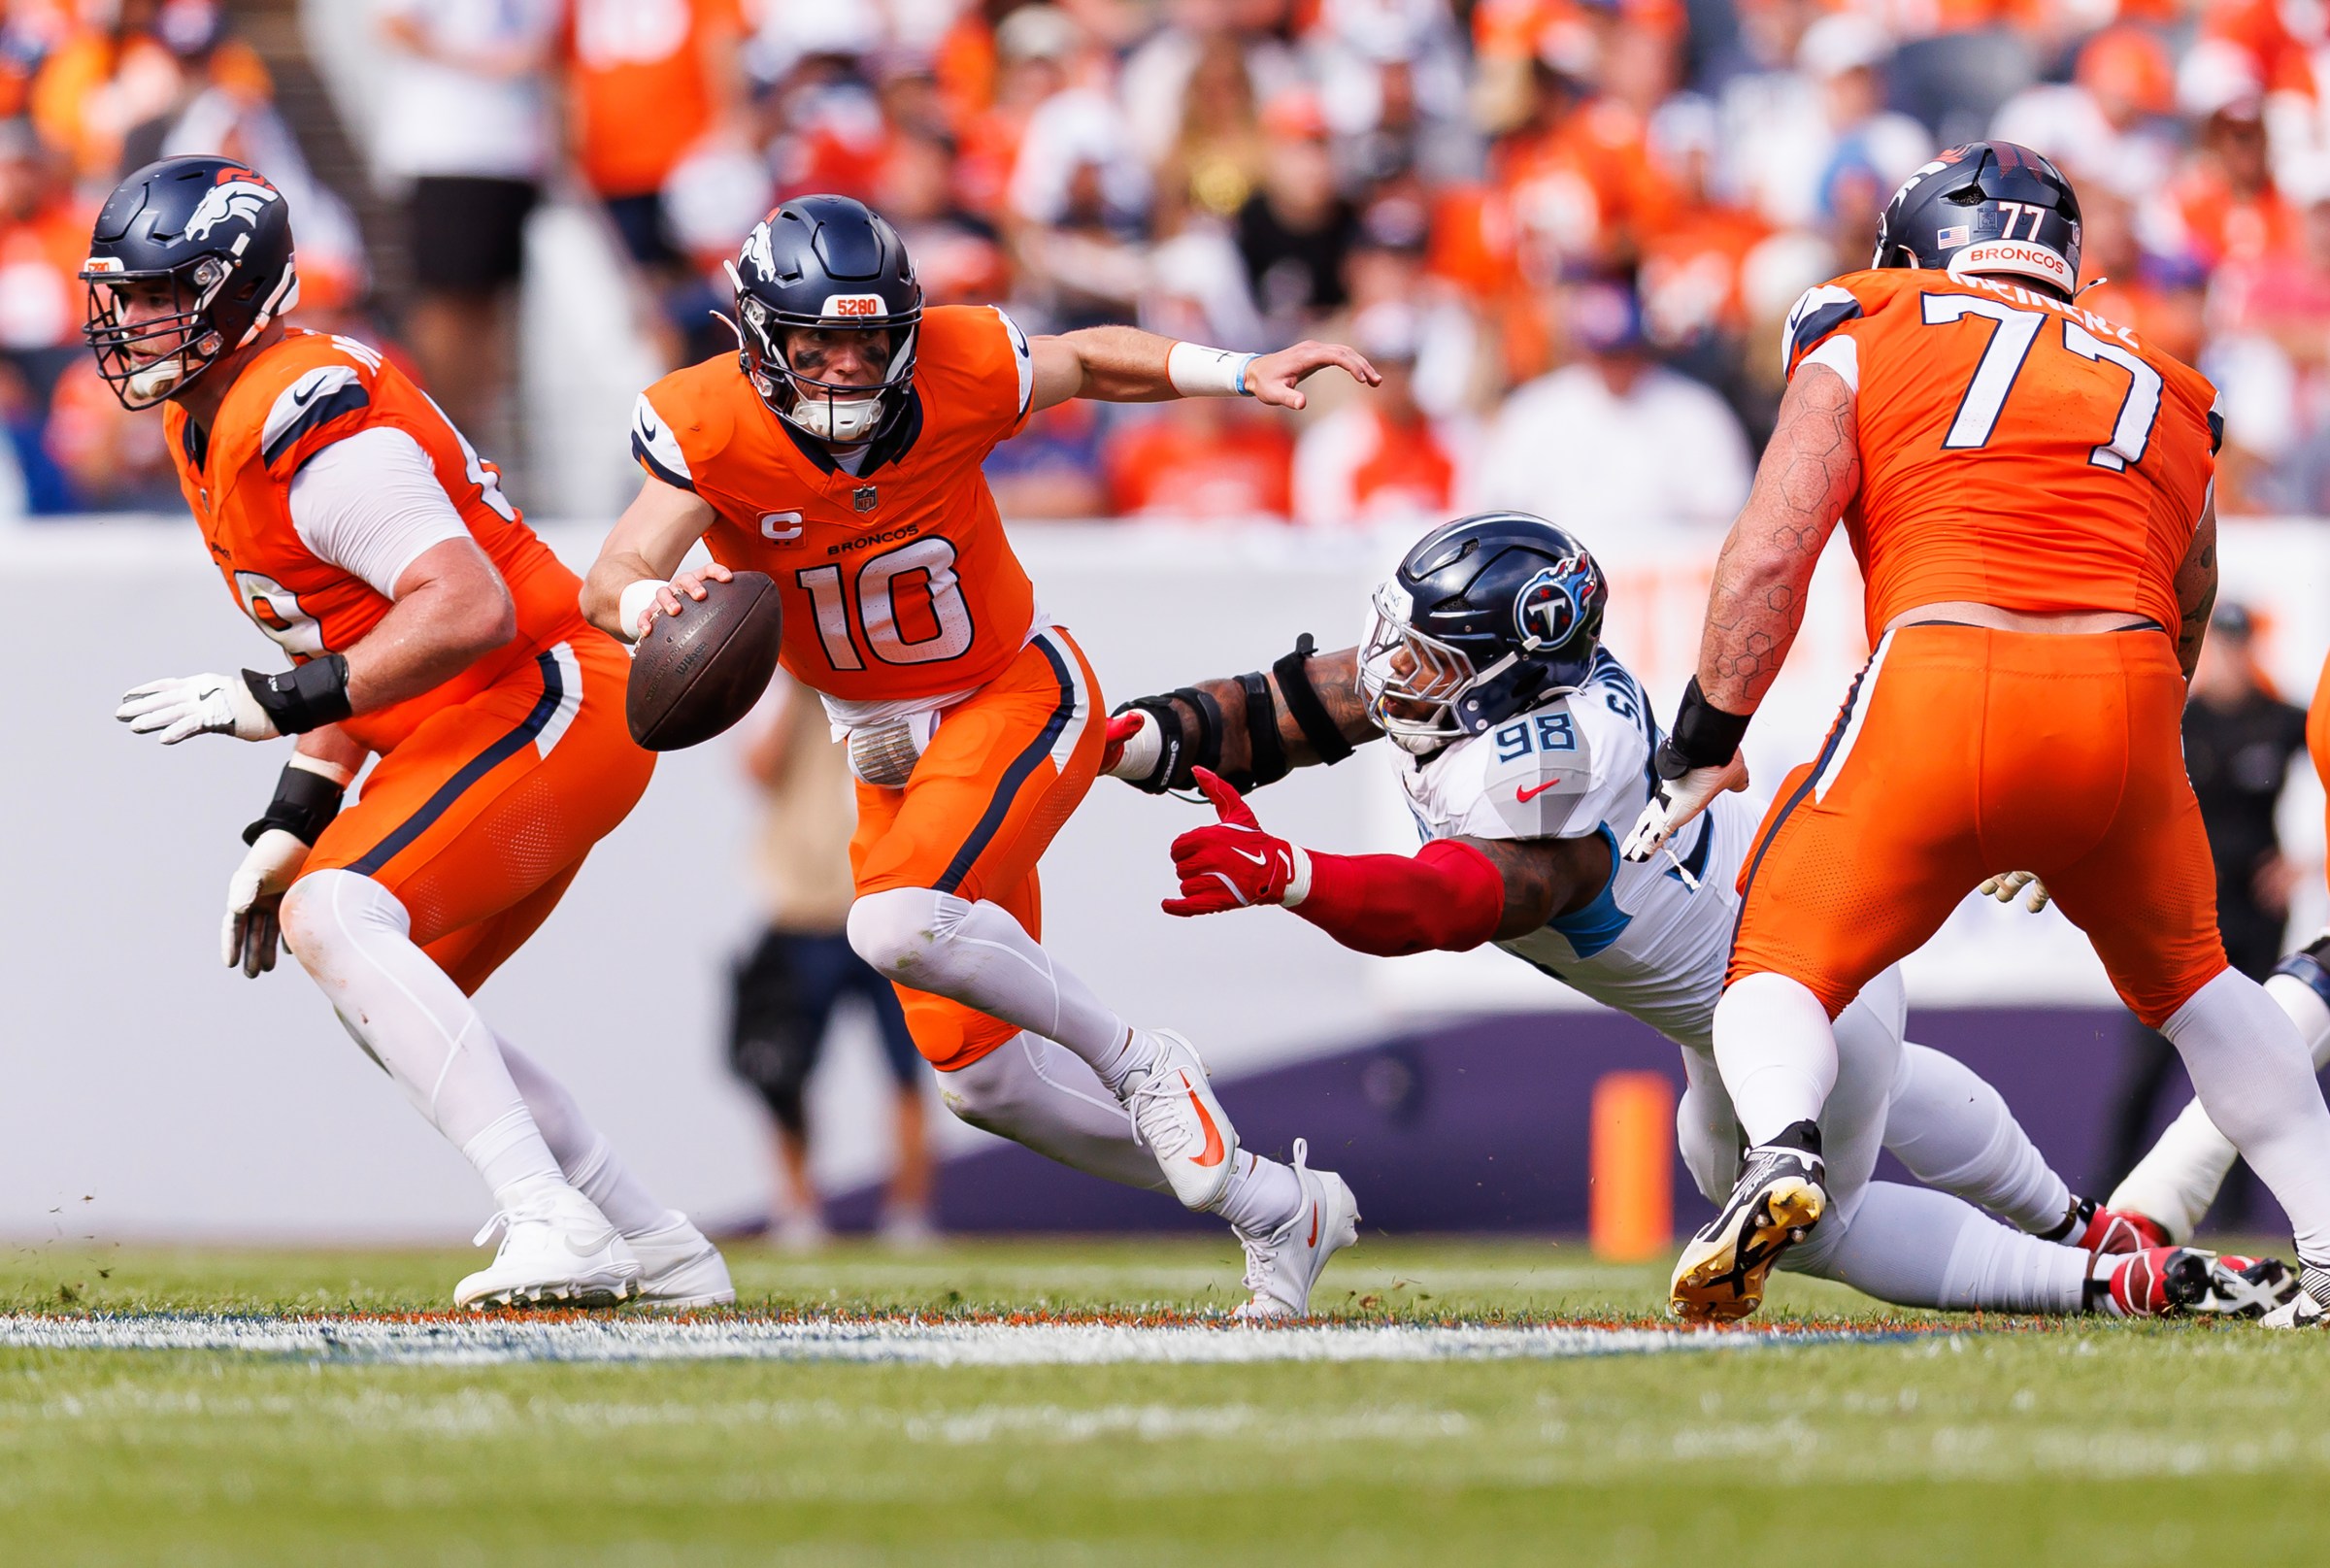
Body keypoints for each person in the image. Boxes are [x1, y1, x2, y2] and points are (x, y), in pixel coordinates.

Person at [1100, 513, 2295, 1321]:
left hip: (1776, 1008)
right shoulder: (1504, 691)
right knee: (1865, 1091)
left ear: (1510, 674)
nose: (1391, 673)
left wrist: (1298, 875)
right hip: (1819, 965)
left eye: (1426, 660)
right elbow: (1304, 699)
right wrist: (1150, 737)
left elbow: (1460, 900)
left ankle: (2106, 1286)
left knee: (1804, 1215)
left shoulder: (1544, 773)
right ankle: (2083, 1225)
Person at [580, 195, 1381, 1318]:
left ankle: (1143, 1059)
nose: (851, 369)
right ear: (763, 341)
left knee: (893, 923)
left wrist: (1234, 372)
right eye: (819, 343)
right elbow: (611, 572)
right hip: (882, 749)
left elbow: (1090, 361)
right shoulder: (705, 428)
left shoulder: (960, 361)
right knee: (986, 1086)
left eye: (871, 341)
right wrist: (652, 598)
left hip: (1015, 691)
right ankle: (1274, 1205)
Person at [1619, 141, 2330, 1329]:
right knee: (2203, 988)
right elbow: (2190, 603)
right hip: (2129, 699)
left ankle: (1782, 1154)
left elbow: (1772, 549)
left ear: (1921, 248)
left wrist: (1705, 732)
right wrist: (2098, 769)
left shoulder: (1868, 316)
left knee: (1776, 961)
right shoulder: (2170, 384)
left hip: (1947, 665)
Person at [92, 155, 729, 1312]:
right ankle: (653, 1241)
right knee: (394, 993)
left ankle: (551, 1218)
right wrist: (290, 818)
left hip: (548, 690)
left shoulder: (305, 416)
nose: (134, 323)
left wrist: (271, 707)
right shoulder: (215, 421)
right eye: (125, 297)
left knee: (341, 916)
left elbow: (463, 604)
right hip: (482, 716)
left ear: (241, 295)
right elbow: (340, 647)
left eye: (161, 293)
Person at [2097, 603, 2308, 1218]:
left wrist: (2311, 858)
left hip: (2255, 911)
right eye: (2224, 644)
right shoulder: (2182, 718)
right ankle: (2109, 1199)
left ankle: (2237, 1212)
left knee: (2253, 1058)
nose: (2232, 658)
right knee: (2149, 1062)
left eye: (2241, 645)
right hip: (2187, 909)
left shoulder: (2281, 719)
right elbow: (2124, 772)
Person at [731, 673, 934, 1250]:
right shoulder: (774, 692)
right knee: (786, 1069)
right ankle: (798, 1211)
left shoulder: (893, 691)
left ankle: (908, 1217)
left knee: (909, 1071)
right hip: (803, 913)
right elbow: (758, 773)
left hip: (886, 905)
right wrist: (795, 692)